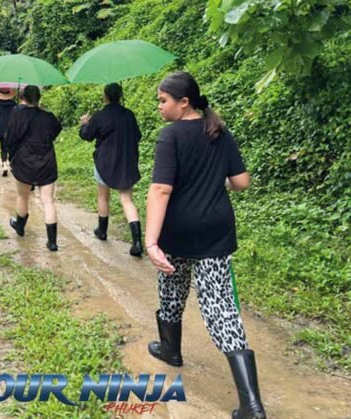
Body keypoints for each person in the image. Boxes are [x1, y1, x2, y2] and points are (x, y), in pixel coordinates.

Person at [145, 71, 265, 419]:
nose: (159, 106)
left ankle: (171, 350)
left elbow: (160, 189)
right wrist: (212, 182)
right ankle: (251, 405)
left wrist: (150, 241)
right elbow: (241, 182)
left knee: (171, 286)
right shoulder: (219, 132)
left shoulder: (170, 137)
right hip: (216, 230)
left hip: (177, 231)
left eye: (163, 100)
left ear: (184, 102)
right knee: (221, 309)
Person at [79, 83, 143, 257]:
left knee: (103, 196)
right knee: (126, 199)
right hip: (127, 162)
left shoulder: (100, 116)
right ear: (120, 96)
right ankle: (137, 242)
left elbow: (86, 135)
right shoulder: (129, 114)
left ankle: (102, 230)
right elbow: (138, 136)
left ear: (105, 96)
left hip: (105, 162)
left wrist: (84, 123)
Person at [4, 85, 63, 251]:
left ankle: (20, 226)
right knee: (48, 201)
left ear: (23, 97)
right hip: (46, 161)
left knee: (23, 197)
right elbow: (56, 130)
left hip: (24, 162)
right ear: (39, 98)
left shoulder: (17, 115)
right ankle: (52, 242)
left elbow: (9, 139)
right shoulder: (47, 116)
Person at [0, 87, 18, 176]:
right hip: (12, 129)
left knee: (3, 148)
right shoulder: (14, 104)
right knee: (12, 148)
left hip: (0, 130)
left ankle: (4, 165)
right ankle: (12, 164)